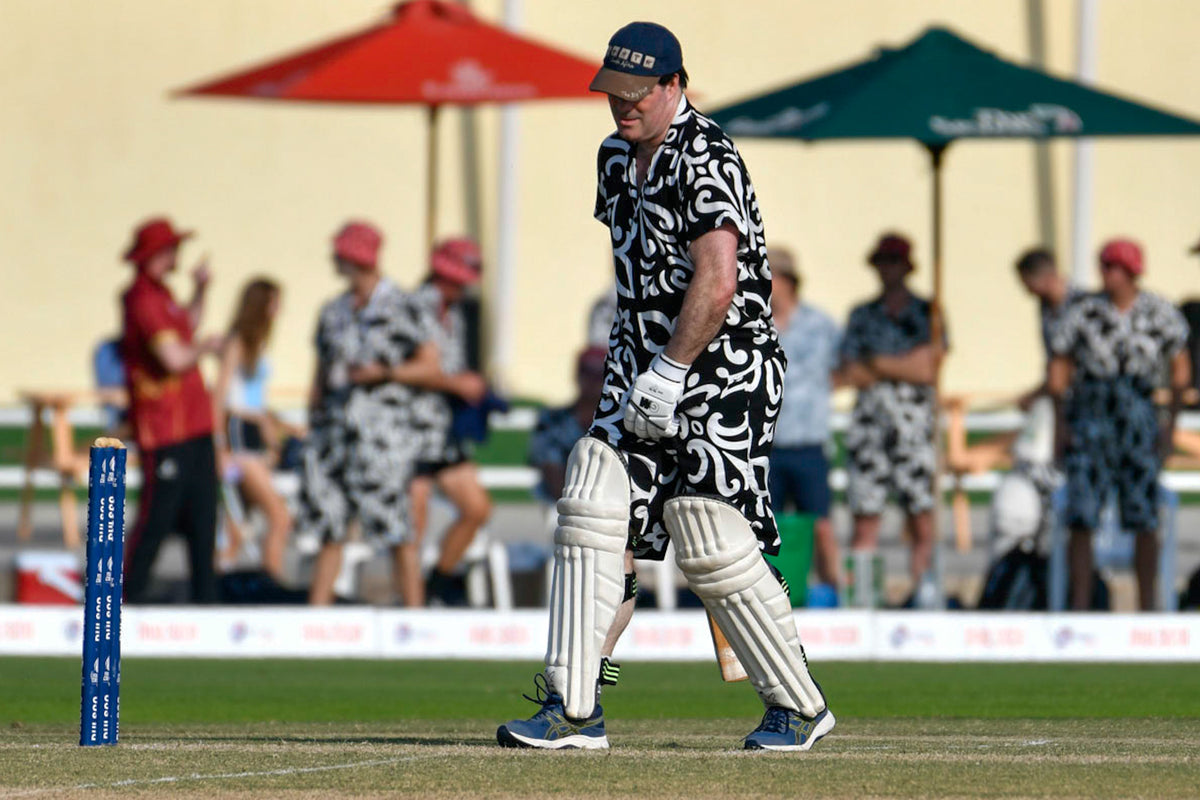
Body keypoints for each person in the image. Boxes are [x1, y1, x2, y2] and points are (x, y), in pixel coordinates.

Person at [498, 22, 832, 752]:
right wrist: (637, 370)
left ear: (675, 85)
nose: (623, 106)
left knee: (706, 532)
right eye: (614, 92)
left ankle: (797, 706)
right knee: (594, 510)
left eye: (637, 93)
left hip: (722, 368)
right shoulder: (616, 157)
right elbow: (636, 271)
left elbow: (718, 280)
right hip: (638, 361)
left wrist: (673, 370)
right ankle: (576, 705)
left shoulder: (705, 154)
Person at [300, 221, 455, 606]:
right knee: (330, 528)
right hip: (335, 435)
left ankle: (413, 618)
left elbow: (432, 367)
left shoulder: (404, 306)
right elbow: (320, 374)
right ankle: (313, 623)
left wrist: (385, 373)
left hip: (384, 436)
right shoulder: (333, 311)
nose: (335, 259)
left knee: (396, 529)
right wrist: (314, 423)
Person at [1048, 238, 1190, 611]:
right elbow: (1060, 365)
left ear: (1131, 272)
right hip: (1091, 412)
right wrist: (1060, 424)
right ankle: (1079, 605)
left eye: (1114, 267)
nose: (1106, 274)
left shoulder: (1159, 312)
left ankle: (1147, 606)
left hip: (1138, 413)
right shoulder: (1083, 312)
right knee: (1083, 514)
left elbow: (1180, 367)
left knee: (1143, 515)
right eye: (1104, 266)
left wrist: (1170, 424)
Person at [119, 217, 223, 603]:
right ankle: (127, 597)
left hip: (194, 424)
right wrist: (208, 348)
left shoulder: (162, 295)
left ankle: (206, 599)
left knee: (203, 518)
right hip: (165, 428)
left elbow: (185, 330)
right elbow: (174, 357)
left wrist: (200, 291)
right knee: (156, 519)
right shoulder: (143, 298)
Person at [839, 233, 946, 604]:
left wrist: (879, 361)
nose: (888, 270)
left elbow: (928, 368)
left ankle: (924, 593)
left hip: (916, 430)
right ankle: (864, 598)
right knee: (865, 514)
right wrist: (901, 365)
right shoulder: (861, 314)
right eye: (882, 262)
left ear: (906, 266)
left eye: (894, 262)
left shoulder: (928, 312)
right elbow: (852, 372)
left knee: (921, 515)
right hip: (871, 428)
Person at [408, 238, 491, 606]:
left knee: (476, 508)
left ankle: (436, 583)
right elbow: (404, 372)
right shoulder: (412, 309)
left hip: (442, 431)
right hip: (410, 430)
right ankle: (410, 601)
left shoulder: (455, 314)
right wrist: (454, 382)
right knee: (414, 521)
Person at [767, 246, 842, 589]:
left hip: (808, 442)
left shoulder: (820, 324)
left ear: (788, 281)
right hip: (767, 444)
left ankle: (834, 591)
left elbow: (847, 366)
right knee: (768, 526)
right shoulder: (753, 322)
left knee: (821, 525)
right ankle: (773, 593)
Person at [211, 277, 292, 579]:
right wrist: (220, 447)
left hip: (253, 433)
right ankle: (273, 582)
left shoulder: (256, 344)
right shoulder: (238, 342)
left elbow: (255, 400)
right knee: (279, 516)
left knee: (238, 523)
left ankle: (217, 583)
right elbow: (220, 397)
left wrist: (276, 426)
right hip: (239, 435)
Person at [528, 346, 608, 503]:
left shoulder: (617, 423)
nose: (592, 381)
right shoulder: (552, 420)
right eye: (587, 373)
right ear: (577, 375)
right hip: (562, 502)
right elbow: (549, 466)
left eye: (599, 374)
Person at [1014, 248, 1085, 403]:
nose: (1026, 290)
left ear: (1045, 277)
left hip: (1085, 399)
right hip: (1060, 400)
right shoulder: (1046, 307)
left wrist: (1038, 394)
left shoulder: (1083, 307)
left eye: (1026, 282)